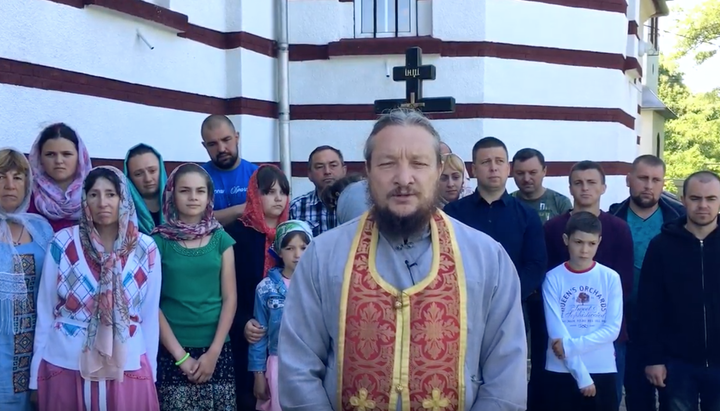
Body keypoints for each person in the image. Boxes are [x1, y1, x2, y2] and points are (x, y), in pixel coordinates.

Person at [278, 109, 528, 410]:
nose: (404, 178)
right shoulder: (323, 256)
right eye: (387, 163)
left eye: (419, 163)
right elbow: (298, 368)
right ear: (368, 171)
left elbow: (506, 379)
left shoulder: (488, 258)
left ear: (438, 171)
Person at [30, 166, 161, 411]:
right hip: (65, 363)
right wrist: (34, 377)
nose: (102, 202)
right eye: (94, 194)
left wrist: (151, 375)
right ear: (85, 199)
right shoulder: (63, 242)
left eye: (111, 194)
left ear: (124, 198)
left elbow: (149, 317)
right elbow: (46, 311)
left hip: (128, 364)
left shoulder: (146, 248)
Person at [542, 160, 634, 410]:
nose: (585, 188)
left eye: (592, 182)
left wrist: (576, 343)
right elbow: (549, 280)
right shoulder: (552, 229)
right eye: (578, 183)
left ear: (603, 187)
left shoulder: (618, 228)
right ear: (569, 187)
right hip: (560, 343)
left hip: (602, 344)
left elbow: (624, 284)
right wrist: (565, 343)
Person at [151, 163, 238, 410]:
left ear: (209, 197)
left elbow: (230, 298)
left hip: (217, 349)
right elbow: (151, 303)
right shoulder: (157, 242)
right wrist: (181, 357)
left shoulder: (222, 239)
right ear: (171, 194)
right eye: (185, 190)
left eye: (200, 191)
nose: (192, 197)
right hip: (171, 350)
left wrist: (213, 353)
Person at [638, 171, 720, 411]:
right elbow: (649, 306)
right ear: (683, 200)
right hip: (677, 363)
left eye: (711, 198)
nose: (703, 205)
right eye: (695, 198)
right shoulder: (662, 246)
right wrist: (653, 359)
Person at [609, 155, 683, 411]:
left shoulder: (679, 220)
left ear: (663, 184)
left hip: (669, 323)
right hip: (628, 320)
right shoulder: (612, 219)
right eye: (642, 178)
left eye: (655, 180)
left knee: (672, 396)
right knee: (637, 395)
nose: (648, 185)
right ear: (629, 179)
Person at [543, 211, 623, 411]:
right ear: (566, 240)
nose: (585, 250)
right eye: (578, 242)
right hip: (561, 369)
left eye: (591, 243)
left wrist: (570, 347)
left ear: (599, 242)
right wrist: (582, 377)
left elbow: (612, 329)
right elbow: (556, 332)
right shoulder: (553, 278)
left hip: (601, 367)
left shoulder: (610, 278)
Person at [225, 164, 290, 410]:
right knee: (249, 398)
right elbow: (229, 288)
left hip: (285, 339)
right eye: (269, 192)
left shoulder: (294, 236)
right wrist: (242, 323)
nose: (278, 198)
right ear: (254, 193)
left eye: (283, 192)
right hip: (248, 332)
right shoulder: (236, 234)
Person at [0, 148, 54, 411]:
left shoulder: (41, 228)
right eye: (0, 176)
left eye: (17, 177)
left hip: (33, 349)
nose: (9, 185)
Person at [249, 220, 313, 411]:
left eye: (303, 247)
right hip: (278, 365)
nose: (297, 254)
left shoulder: (318, 284)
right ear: (278, 251)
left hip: (311, 365)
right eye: (289, 248)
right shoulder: (266, 289)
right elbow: (259, 336)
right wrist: (258, 375)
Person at [28, 123, 93, 231]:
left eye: (66, 154)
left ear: (80, 157)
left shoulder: (95, 193)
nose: (58, 161)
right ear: (40, 158)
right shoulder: (28, 195)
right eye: (50, 154)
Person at [200, 115, 259, 226]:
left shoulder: (258, 175)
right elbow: (195, 219)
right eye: (212, 144)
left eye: (226, 140)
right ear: (205, 146)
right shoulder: (198, 178)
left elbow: (269, 214)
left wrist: (216, 216)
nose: (221, 149)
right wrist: (241, 209)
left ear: (237, 138)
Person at [289, 146, 347, 236]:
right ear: (309, 174)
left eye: (333, 165)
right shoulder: (297, 207)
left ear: (344, 170)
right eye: (319, 167)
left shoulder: (358, 204)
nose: (327, 171)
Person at [511, 148, 572, 223]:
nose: (526, 179)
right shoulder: (505, 204)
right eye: (520, 173)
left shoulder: (560, 203)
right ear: (512, 173)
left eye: (532, 172)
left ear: (544, 171)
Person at [124, 143, 167, 235]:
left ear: (161, 170)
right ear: (129, 179)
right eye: (138, 174)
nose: (147, 179)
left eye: (152, 171)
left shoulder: (179, 205)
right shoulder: (123, 212)